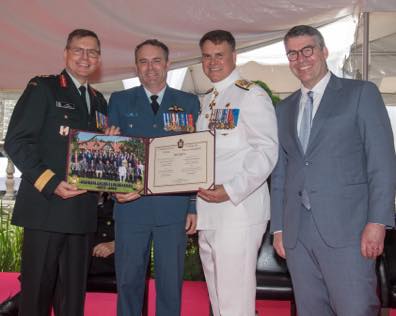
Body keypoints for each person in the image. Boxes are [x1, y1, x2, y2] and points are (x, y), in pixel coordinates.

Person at [270, 24, 396, 316]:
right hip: (297, 234)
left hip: (350, 232)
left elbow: (382, 162)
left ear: (324, 51)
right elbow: (281, 173)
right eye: (292, 54)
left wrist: (378, 222)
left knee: (355, 309)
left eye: (307, 50)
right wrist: (279, 227)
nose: (300, 59)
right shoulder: (283, 109)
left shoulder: (361, 93)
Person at [4, 29, 107, 316]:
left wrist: (111, 141)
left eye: (92, 52)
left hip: (83, 212)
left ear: (99, 59)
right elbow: (16, 141)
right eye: (78, 50)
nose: (85, 57)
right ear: (66, 53)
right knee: (36, 293)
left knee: (72, 299)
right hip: (46, 207)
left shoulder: (99, 100)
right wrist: (50, 183)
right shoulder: (44, 88)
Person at [107, 39, 200, 316]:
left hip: (173, 208)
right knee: (128, 282)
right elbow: (113, 157)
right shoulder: (120, 101)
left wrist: (193, 204)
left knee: (171, 285)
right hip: (130, 207)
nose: (150, 68)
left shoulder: (188, 101)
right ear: (136, 66)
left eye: (156, 60)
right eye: (143, 61)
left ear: (168, 64)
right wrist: (115, 191)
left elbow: (196, 156)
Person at [195, 30, 278, 316]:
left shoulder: (251, 95)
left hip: (238, 210)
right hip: (208, 211)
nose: (213, 62)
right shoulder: (207, 101)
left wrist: (230, 189)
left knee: (235, 301)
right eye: (207, 56)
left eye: (219, 55)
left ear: (234, 56)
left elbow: (266, 152)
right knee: (219, 299)